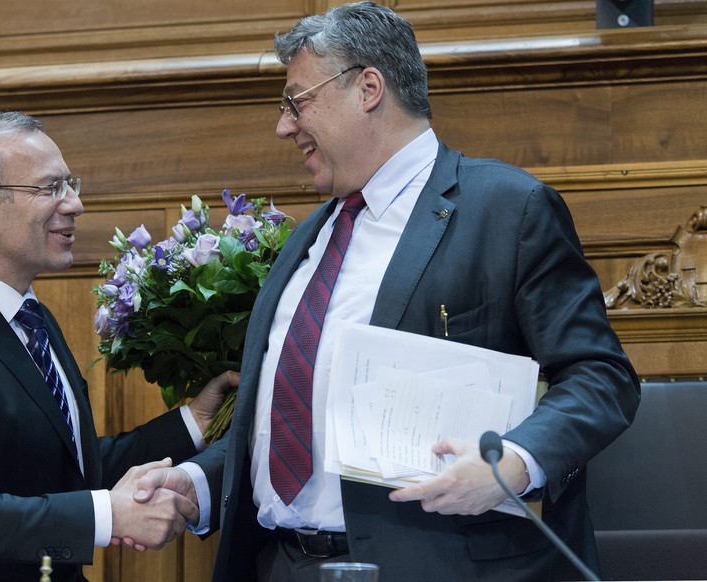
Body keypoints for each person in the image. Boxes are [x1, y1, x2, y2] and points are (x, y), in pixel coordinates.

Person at [132, 2, 641, 581]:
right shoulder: (309, 238)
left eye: (297, 101)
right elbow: (298, 424)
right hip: (281, 566)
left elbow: (602, 378)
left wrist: (515, 462)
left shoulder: (507, 209)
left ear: (368, 88)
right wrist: (200, 483)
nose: (284, 125)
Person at [0, 110, 238, 582]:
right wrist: (108, 515)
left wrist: (195, 421)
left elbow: (63, 466)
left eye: (72, 185)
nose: (74, 205)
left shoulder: (33, 317)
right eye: (50, 189)